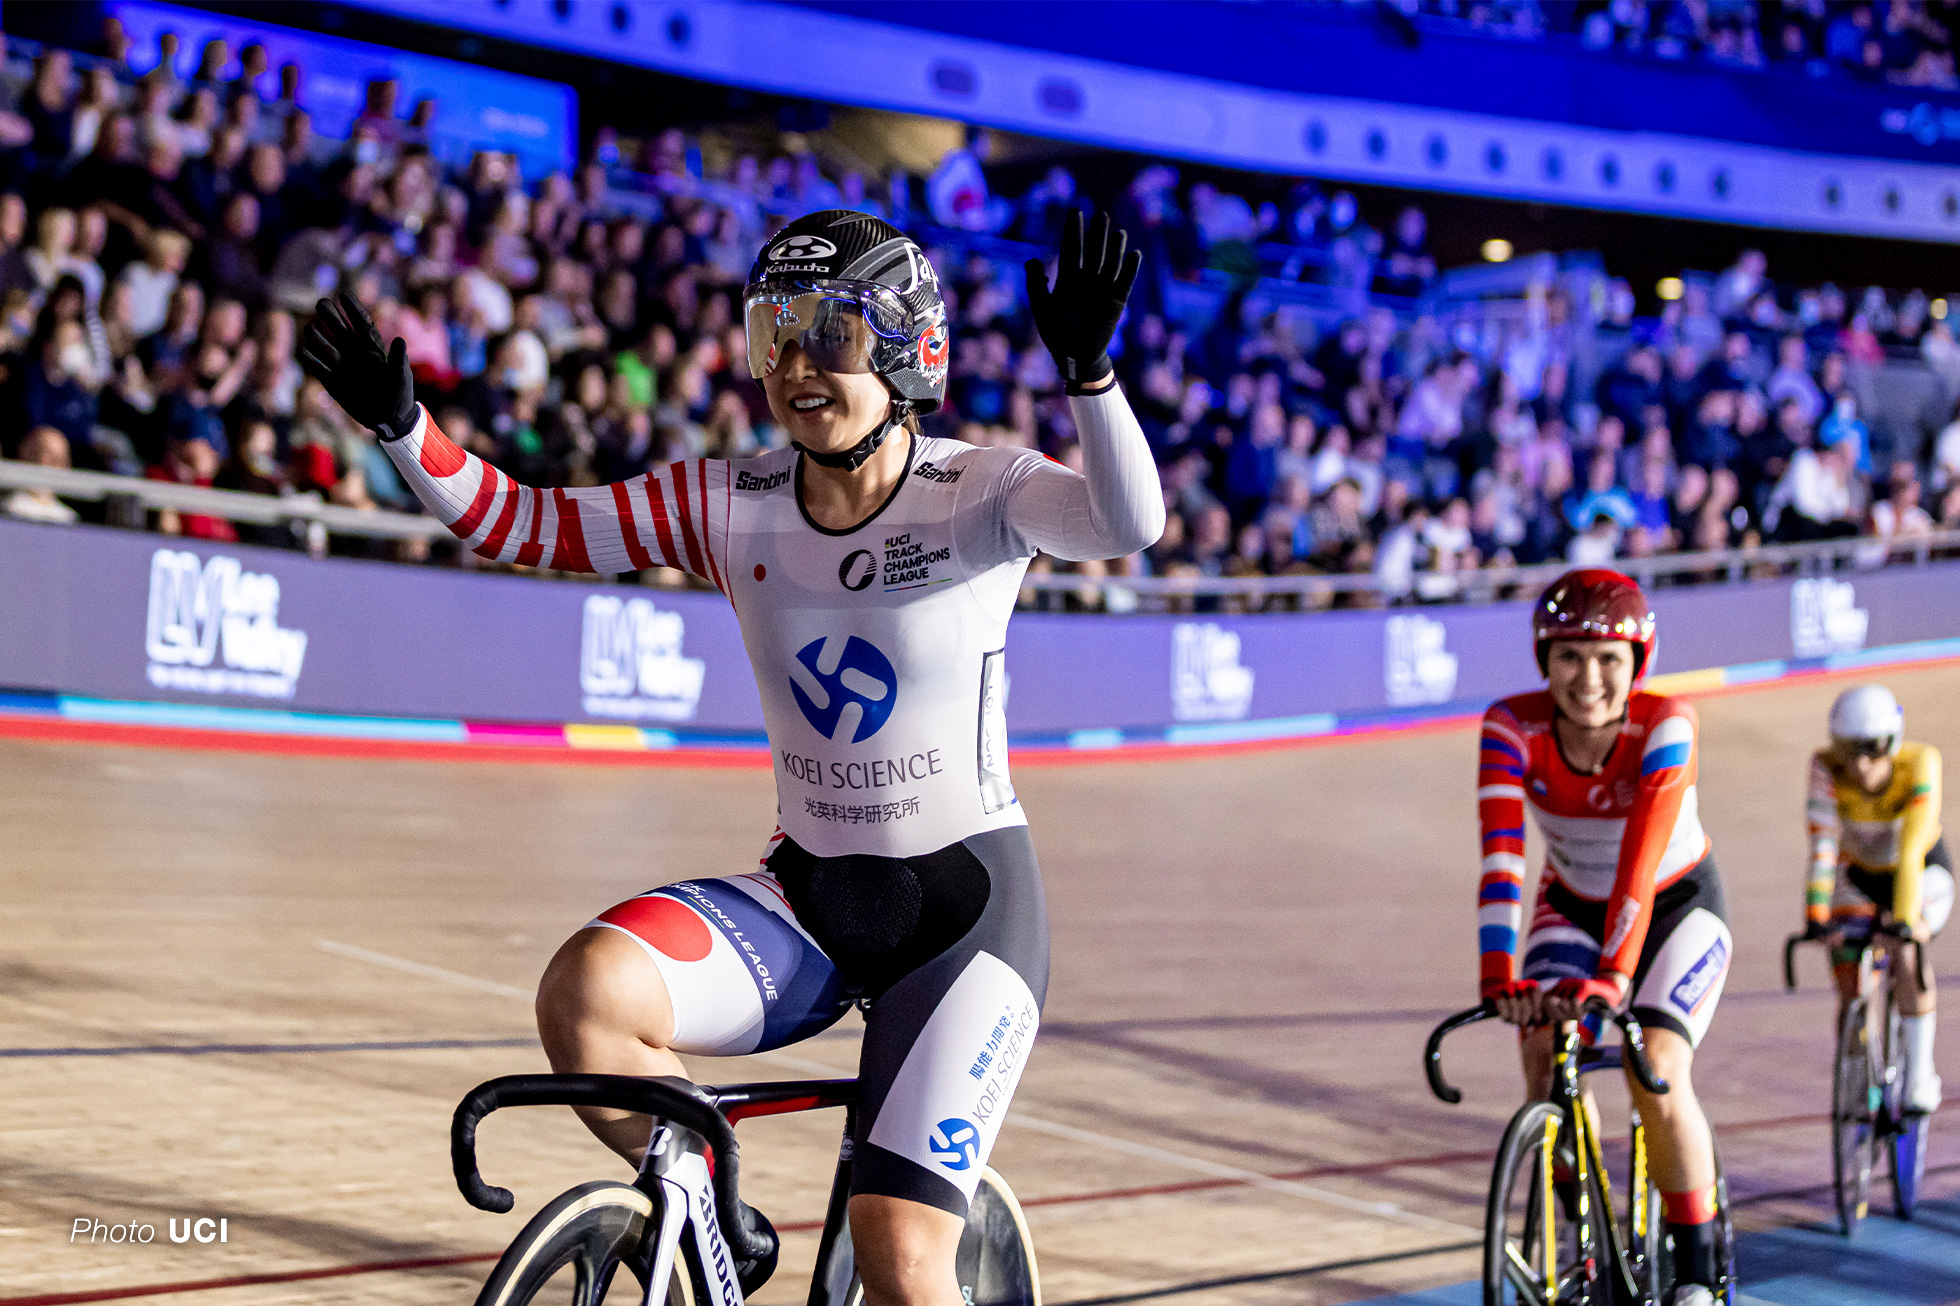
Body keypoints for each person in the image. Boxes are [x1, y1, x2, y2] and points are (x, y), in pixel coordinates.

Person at [299, 208, 1162, 1306]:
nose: (796, 366)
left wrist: (1090, 378)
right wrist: (403, 427)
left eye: (829, 335)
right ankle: (712, 1221)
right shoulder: (727, 500)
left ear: (903, 350)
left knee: (900, 1256)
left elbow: (1126, 524)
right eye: (775, 337)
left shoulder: (980, 492)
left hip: (966, 922)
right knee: (587, 991)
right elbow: (521, 523)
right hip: (806, 897)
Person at [1477, 570, 1730, 1306]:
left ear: (1638, 664)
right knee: (1540, 1050)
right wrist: (1499, 978)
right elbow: (1502, 861)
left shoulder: (1667, 724)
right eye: (1569, 657)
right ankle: (1585, 1234)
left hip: (1676, 905)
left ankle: (1696, 1273)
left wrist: (1614, 980)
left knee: (1654, 1063)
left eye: (1609, 659)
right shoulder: (1509, 726)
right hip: (1574, 904)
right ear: (1543, 660)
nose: (1588, 679)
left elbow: (1639, 867)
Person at [1803, 684, 1949, 1114]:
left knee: (1906, 952)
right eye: (1849, 750)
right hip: (1860, 875)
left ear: (1894, 741)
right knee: (1850, 983)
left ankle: (1919, 1074)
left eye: (1873, 749)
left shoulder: (1920, 763)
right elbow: (1824, 844)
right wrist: (1816, 915)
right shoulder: (1825, 767)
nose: (1861, 764)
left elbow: (1910, 847)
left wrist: (1903, 920)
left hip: (1920, 871)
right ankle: (1855, 1083)